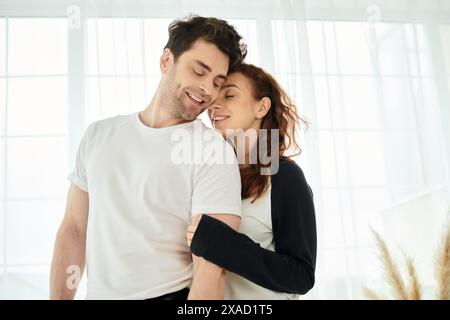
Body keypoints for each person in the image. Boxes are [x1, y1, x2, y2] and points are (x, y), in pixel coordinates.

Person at [50, 15, 247, 300]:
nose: (207, 89)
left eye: (217, 82)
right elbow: (74, 230)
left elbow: (211, 270)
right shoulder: (98, 135)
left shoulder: (213, 152)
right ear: (166, 61)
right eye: (199, 71)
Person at [186, 63, 317, 299]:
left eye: (230, 95)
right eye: (215, 95)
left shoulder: (285, 177)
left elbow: (301, 276)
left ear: (261, 107)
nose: (214, 104)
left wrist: (223, 243)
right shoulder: (209, 172)